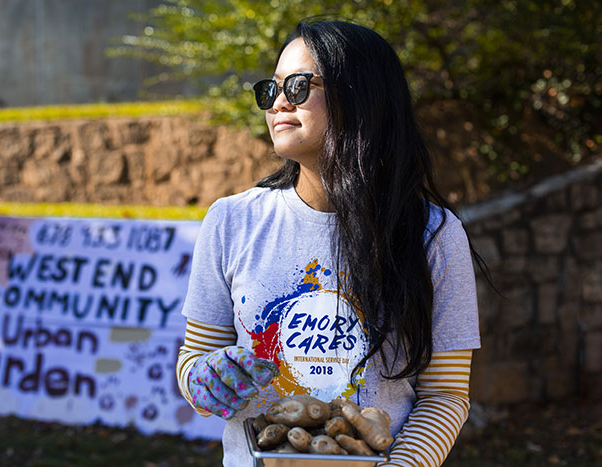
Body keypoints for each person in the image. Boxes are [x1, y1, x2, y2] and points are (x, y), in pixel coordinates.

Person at [176, 18, 482, 467]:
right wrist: (207, 381)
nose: (278, 102)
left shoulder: (433, 234)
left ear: (360, 96)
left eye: (298, 87)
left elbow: (446, 394)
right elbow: (195, 363)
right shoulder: (232, 221)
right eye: (271, 89)